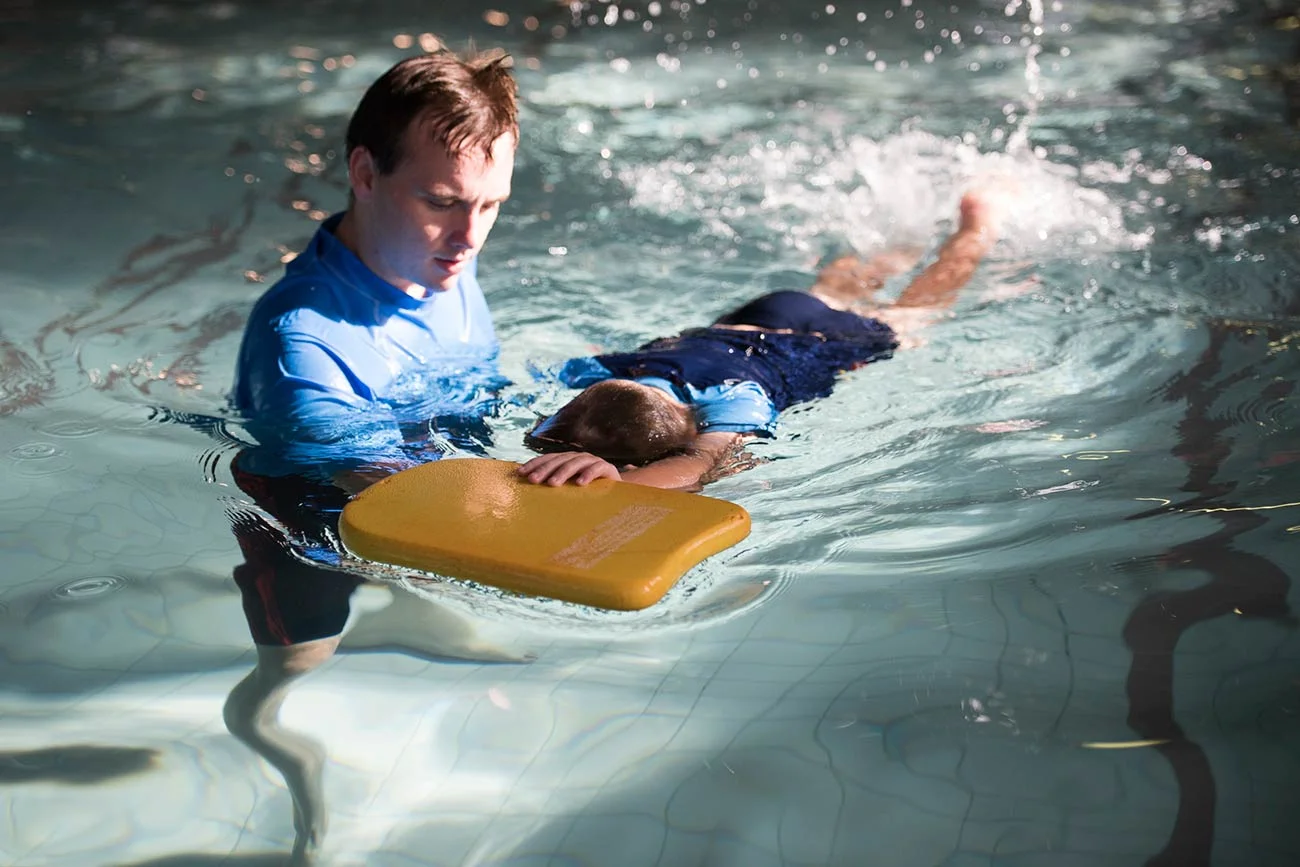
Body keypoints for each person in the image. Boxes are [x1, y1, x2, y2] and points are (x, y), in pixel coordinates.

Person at [222, 49, 524, 860]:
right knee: (295, 666)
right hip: (308, 521)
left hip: (422, 469)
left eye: (490, 206)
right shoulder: (304, 346)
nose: (469, 237)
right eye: (442, 202)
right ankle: (264, 729)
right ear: (363, 171)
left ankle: (413, 618)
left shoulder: (440, 266)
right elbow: (408, 506)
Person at [517, 190, 1003, 492]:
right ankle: (909, 235)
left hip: (820, 340)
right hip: (768, 313)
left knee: (916, 312)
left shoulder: (735, 400)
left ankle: (976, 228)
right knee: (836, 289)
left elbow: (701, 462)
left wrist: (620, 482)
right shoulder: (607, 370)